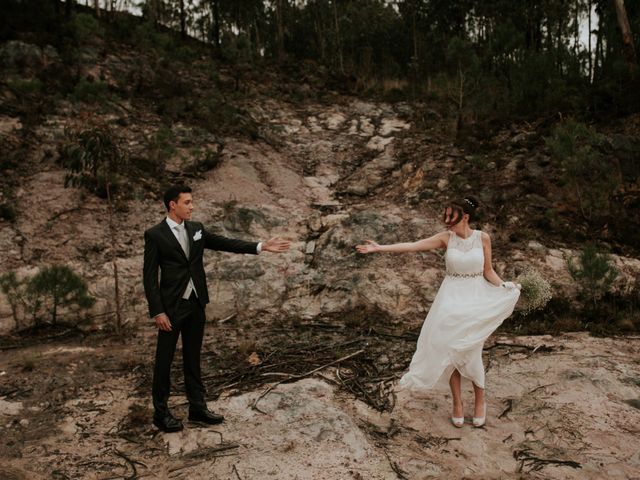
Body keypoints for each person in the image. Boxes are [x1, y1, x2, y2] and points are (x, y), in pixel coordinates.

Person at [356, 197, 520, 428]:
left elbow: (488, 271)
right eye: (445, 216)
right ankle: (457, 403)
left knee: (472, 350)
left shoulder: (483, 238)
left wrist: (505, 287)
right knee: (449, 350)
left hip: (476, 298)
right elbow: (413, 245)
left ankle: (480, 400)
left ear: (465, 217)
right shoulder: (446, 238)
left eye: (451, 217)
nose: (446, 221)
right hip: (450, 299)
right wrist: (379, 248)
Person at [143, 185, 290, 433]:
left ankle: (197, 408)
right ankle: (161, 413)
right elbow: (149, 277)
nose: (192, 206)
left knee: (193, 357)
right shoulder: (155, 234)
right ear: (172, 205)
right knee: (164, 361)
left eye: (191, 202)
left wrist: (261, 246)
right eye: (187, 202)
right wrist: (158, 311)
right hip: (171, 308)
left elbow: (225, 243)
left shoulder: (196, 229)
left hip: (196, 303)